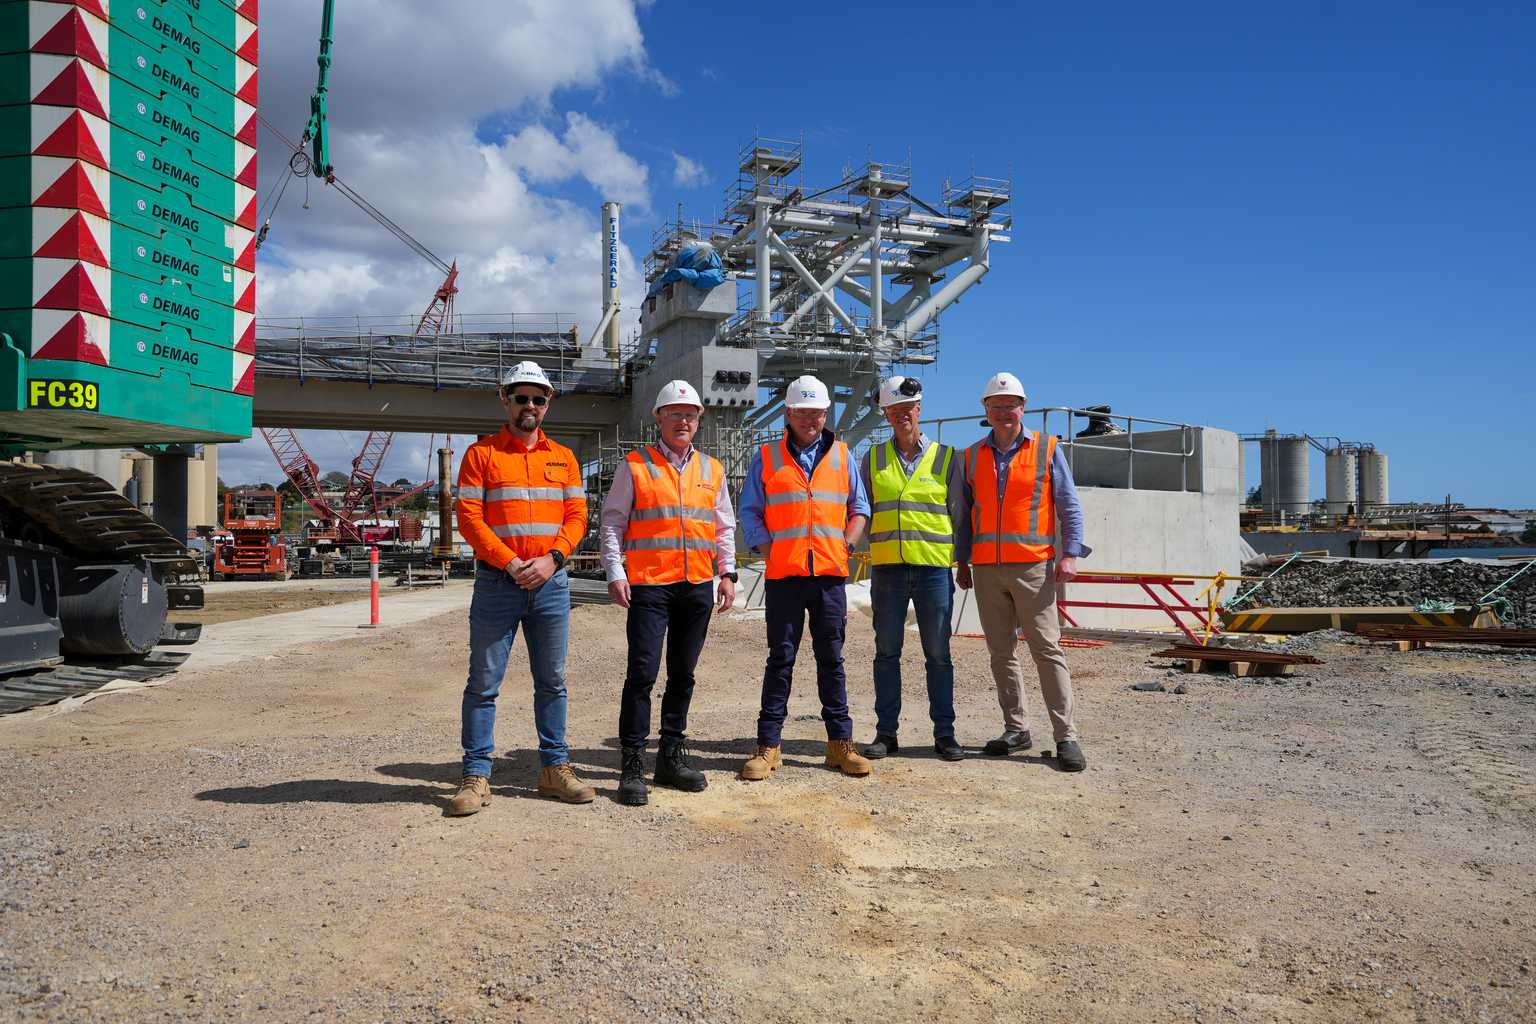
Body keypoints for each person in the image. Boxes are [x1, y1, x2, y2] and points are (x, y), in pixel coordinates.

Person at [447, 361, 594, 815]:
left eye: (538, 398)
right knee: (483, 683)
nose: (530, 405)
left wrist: (553, 560)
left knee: (553, 681)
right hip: (498, 583)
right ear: (505, 399)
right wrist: (511, 563)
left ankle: (554, 768)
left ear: (548, 404)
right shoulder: (481, 455)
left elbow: (577, 517)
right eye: (521, 397)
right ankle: (476, 776)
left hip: (551, 584)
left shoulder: (564, 458)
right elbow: (469, 520)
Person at [599, 380, 738, 807]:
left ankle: (670, 758)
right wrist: (615, 572)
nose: (683, 420)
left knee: (683, 674)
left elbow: (723, 526)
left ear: (698, 421)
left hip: (696, 585)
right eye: (675, 413)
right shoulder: (635, 465)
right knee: (642, 674)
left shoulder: (712, 469)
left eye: (690, 414)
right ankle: (632, 765)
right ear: (658, 418)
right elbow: (612, 522)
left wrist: (727, 573)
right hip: (650, 585)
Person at [738, 375, 872, 780]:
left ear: (826, 414)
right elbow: (750, 510)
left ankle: (840, 745)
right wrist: (769, 550)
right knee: (780, 659)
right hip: (785, 575)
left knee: (832, 659)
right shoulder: (767, 457)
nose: (810, 420)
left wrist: (846, 545)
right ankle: (768, 746)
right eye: (802, 413)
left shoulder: (842, 456)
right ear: (789, 413)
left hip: (829, 576)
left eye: (817, 413)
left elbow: (859, 508)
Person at [955, 371, 1090, 772]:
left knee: (1047, 649)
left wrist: (1070, 554)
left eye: (1010, 405)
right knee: (1001, 653)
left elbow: (1069, 505)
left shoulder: (1047, 449)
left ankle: (1066, 736)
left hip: (1033, 566)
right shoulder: (970, 457)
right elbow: (965, 516)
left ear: (1023, 407)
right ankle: (1017, 729)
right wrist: (962, 561)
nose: (1003, 412)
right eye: (996, 406)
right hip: (986, 569)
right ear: (985, 410)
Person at [858, 376, 965, 762]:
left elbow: (959, 513)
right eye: (894, 410)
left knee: (938, 654)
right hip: (888, 570)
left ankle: (945, 734)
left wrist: (963, 561)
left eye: (908, 408)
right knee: (886, 653)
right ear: (885, 414)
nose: (902, 415)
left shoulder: (946, 458)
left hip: (933, 570)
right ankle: (886, 733)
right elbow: (863, 510)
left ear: (919, 409)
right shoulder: (872, 459)